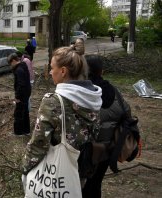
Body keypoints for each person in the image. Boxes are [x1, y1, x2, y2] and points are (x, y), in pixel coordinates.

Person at [22, 43, 103, 186]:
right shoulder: (94, 99)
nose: (51, 72)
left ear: (63, 71)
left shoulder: (53, 101)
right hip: (80, 174)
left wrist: (26, 171)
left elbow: (38, 143)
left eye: (53, 68)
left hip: (54, 177)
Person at [82, 55, 132, 198]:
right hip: (107, 150)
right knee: (96, 184)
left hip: (86, 151)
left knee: (81, 186)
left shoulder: (81, 93)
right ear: (102, 71)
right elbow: (126, 112)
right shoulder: (114, 91)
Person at [8, 53, 31, 136]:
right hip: (26, 93)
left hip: (22, 95)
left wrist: (17, 97)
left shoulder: (19, 70)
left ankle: (18, 132)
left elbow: (21, 84)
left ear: (14, 61)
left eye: (10, 63)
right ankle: (26, 130)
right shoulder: (23, 66)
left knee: (18, 113)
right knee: (25, 112)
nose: (10, 65)